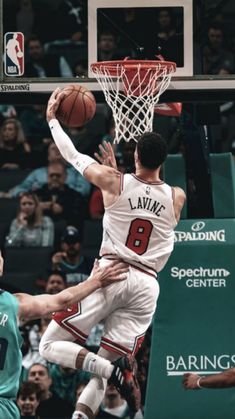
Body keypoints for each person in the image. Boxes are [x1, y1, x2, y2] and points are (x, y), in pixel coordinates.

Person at [39, 88, 186, 418]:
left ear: (134, 156)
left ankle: (111, 373)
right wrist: (123, 177)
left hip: (112, 274)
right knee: (102, 364)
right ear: (162, 161)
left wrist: (52, 120)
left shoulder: (113, 182)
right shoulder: (177, 196)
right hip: (147, 286)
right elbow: (147, 201)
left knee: (46, 347)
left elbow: (71, 155)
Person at [0, 250, 128, 419]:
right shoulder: (14, 303)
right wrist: (95, 281)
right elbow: (62, 301)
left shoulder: (14, 303)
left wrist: (95, 281)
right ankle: (110, 370)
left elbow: (62, 301)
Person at [2, 141, 91, 198]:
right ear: (48, 156)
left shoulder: (77, 171)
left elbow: (84, 190)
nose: (57, 151)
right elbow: (21, 188)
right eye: (53, 149)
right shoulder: (37, 173)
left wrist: (62, 189)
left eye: (60, 149)